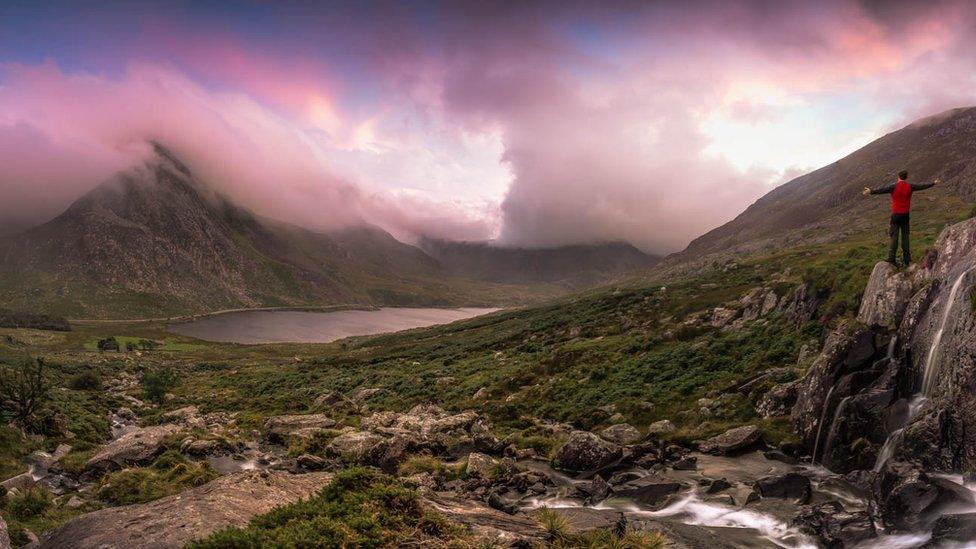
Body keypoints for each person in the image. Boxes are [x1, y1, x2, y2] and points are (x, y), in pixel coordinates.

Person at [862, 170, 939, 266]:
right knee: (905, 237)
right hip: (905, 216)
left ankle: (891, 258)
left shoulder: (894, 187)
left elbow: (882, 190)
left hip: (896, 216)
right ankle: (907, 260)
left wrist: (871, 192)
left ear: (898, 176)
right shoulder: (910, 186)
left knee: (894, 237)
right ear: (906, 177)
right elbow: (922, 186)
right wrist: (933, 183)